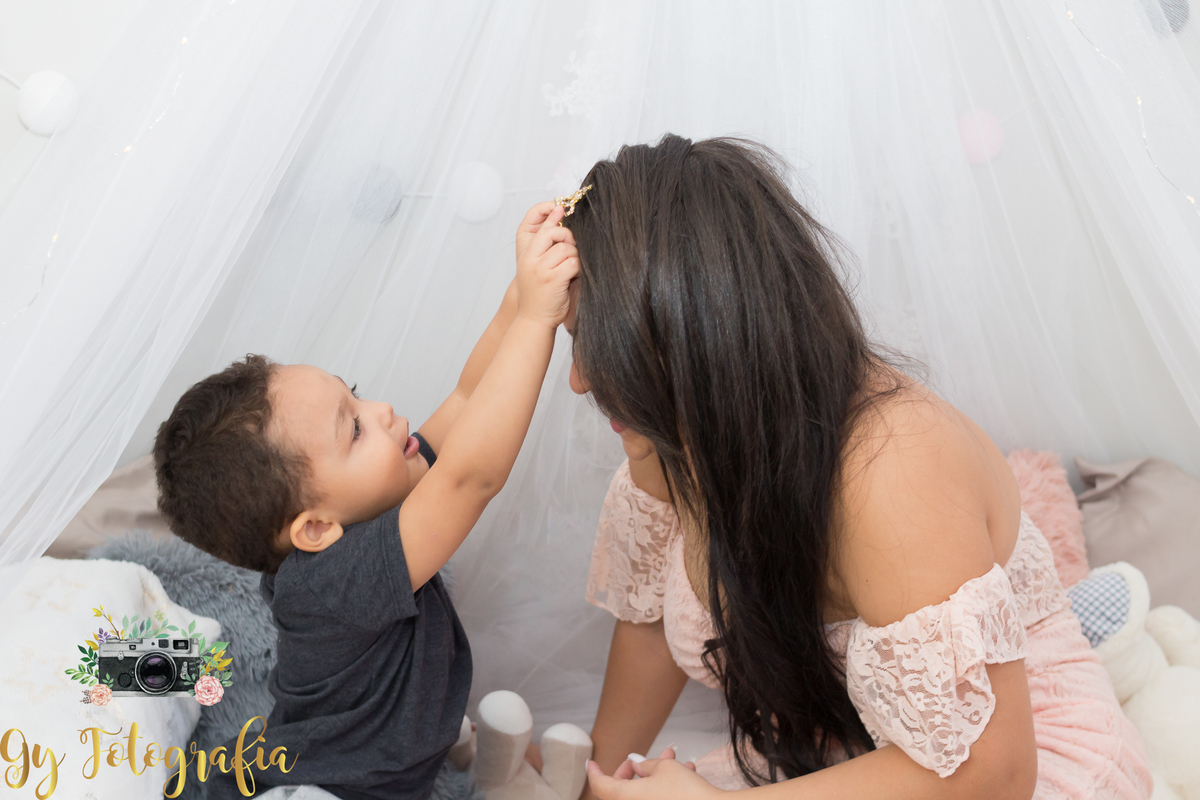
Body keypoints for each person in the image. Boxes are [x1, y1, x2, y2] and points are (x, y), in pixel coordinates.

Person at [560, 135, 1152, 799]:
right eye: (577, 342)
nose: (580, 381)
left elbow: (996, 773)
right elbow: (646, 622)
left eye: (601, 351)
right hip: (859, 761)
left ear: (700, 342)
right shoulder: (674, 432)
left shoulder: (893, 468)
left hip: (1022, 770)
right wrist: (590, 784)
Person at [152, 203, 579, 800]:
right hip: (324, 787)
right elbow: (471, 478)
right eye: (353, 429)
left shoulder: (380, 504)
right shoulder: (335, 579)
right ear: (316, 528)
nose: (380, 411)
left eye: (353, 396)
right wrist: (538, 322)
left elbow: (465, 399)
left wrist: (518, 294)